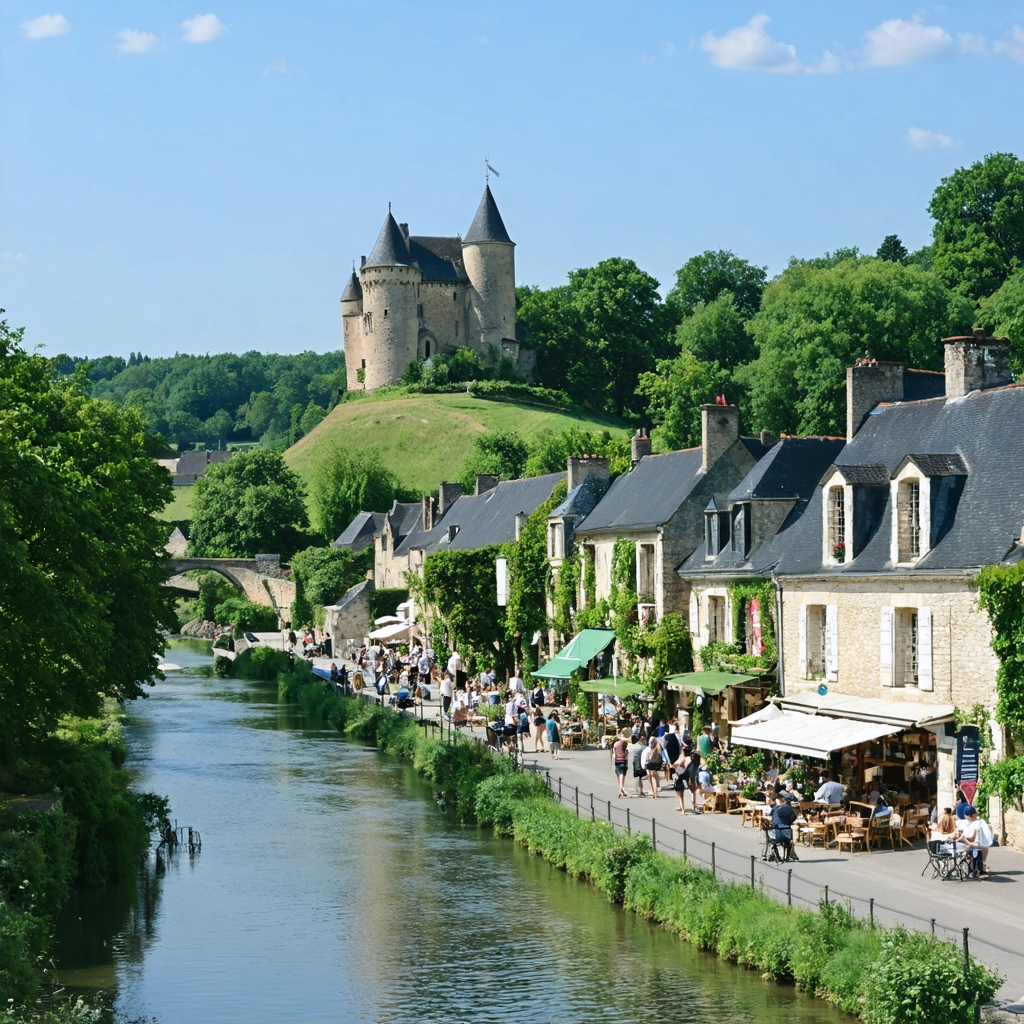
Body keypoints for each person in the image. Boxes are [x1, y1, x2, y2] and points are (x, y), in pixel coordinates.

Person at [958, 806, 994, 875]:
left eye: (966, 816)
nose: (966, 818)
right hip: (979, 844)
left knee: (961, 846)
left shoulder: (976, 823)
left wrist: (963, 838)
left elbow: (972, 838)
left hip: (976, 843)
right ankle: (977, 866)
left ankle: (975, 866)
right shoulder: (973, 822)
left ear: (970, 816)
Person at [612, 730, 630, 798]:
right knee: (622, 774)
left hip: (617, 760)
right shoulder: (622, 742)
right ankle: (622, 788)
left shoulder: (615, 743)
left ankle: (620, 790)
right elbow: (625, 741)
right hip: (623, 760)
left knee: (619, 775)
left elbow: (613, 752)